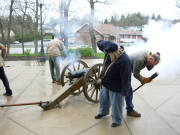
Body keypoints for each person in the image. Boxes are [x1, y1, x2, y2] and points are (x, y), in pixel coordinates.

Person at [94, 40, 131, 127]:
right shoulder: (109, 50)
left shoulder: (125, 60)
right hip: (106, 82)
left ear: (114, 52)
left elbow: (127, 78)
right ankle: (103, 112)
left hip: (116, 86)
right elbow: (100, 43)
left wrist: (124, 91)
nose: (108, 55)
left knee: (116, 105)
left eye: (109, 53)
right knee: (103, 99)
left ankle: (117, 120)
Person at [126, 50, 161, 117]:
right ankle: (130, 110)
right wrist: (143, 79)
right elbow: (135, 74)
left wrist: (154, 62)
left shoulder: (148, 56)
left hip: (128, 68)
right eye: (153, 64)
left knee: (127, 89)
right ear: (150, 58)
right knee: (128, 89)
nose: (152, 66)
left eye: (154, 65)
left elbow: (148, 68)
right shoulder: (140, 59)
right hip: (124, 68)